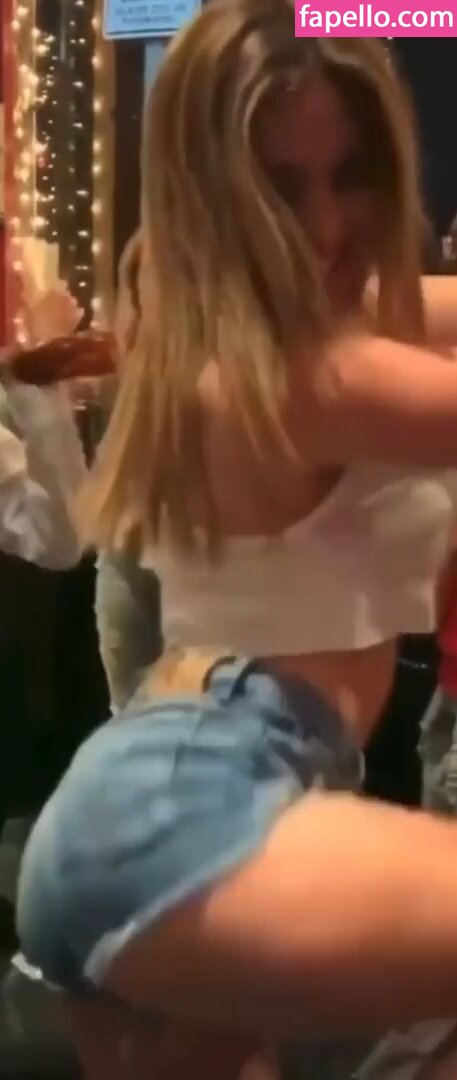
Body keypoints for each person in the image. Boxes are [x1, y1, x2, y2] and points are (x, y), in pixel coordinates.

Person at [15, 1, 457, 1074]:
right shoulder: (302, 374)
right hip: (189, 797)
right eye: (279, 185)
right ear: (213, 189)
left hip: (211, 785)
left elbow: (421, 307)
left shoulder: (233, 331)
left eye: (351, 174)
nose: (323, 225)